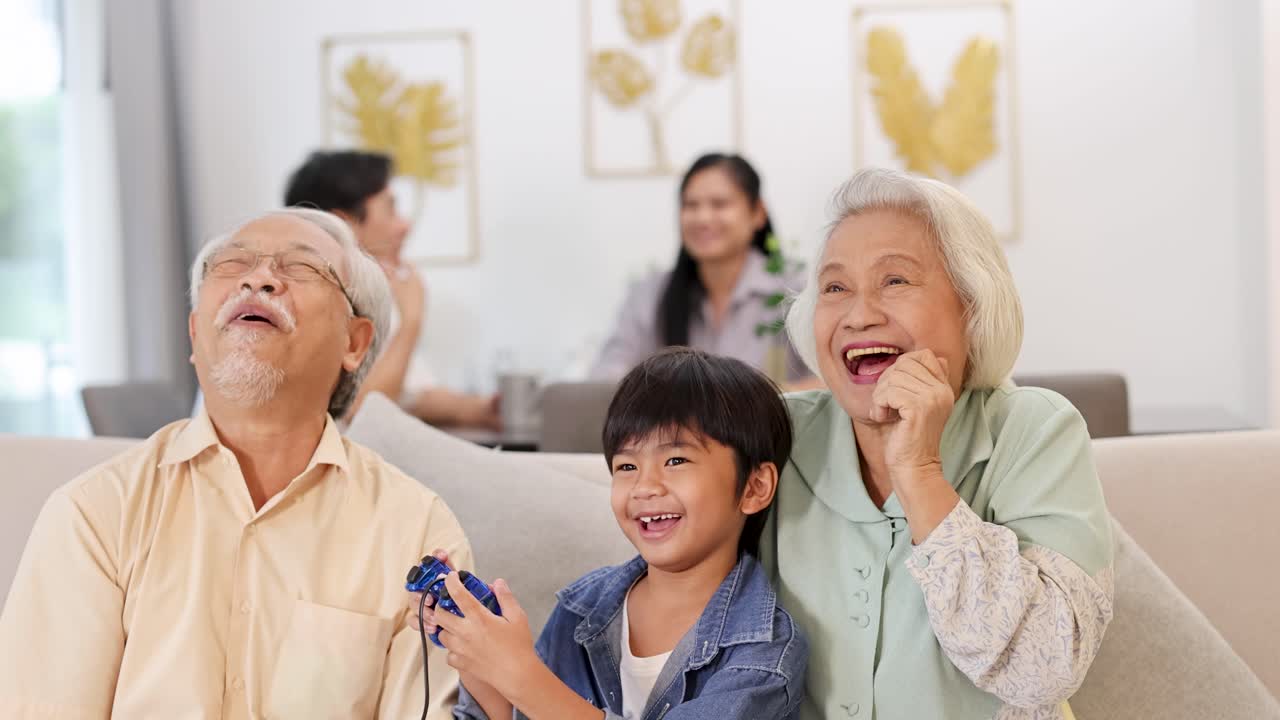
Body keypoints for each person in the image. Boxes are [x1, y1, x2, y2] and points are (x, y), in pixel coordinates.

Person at [0, 208, 474, 718]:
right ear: (195, 331)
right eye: (233, 263)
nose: (258, 278)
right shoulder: (95, 514)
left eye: (301, 267)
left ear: (354, 343)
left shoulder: (417, 534)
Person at [764, 168, 1115, 719]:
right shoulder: (774, 435)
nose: (859, 315)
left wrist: (920, 470)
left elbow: (1043, 669)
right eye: (835, 287)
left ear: (971, 308)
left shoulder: (1035, 430)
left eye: (895, 281)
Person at [427, 348, 808, 719]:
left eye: (675, 460)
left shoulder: (766, 653)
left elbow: (537, 695)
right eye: (627, 466)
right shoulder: (582, 609)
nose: (644, 487)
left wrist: (523, 675)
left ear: (754, 488)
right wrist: (480, 657)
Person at [285, 150, 500, 428]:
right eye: (391, 209)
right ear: (343, 224)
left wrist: (481, 408)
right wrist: (411, 321)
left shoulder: (369, 294)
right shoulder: (310, 302)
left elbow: (410, 393)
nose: (404, 224)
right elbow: (362, 414)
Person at [589, 153, 816, 387]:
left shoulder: (795, 289)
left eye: (719, 204)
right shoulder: (650, 293)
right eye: (691, 205)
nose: (703, 218)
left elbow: (831, 382)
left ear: (757, 213)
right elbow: (607, 377)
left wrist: (774, 397)